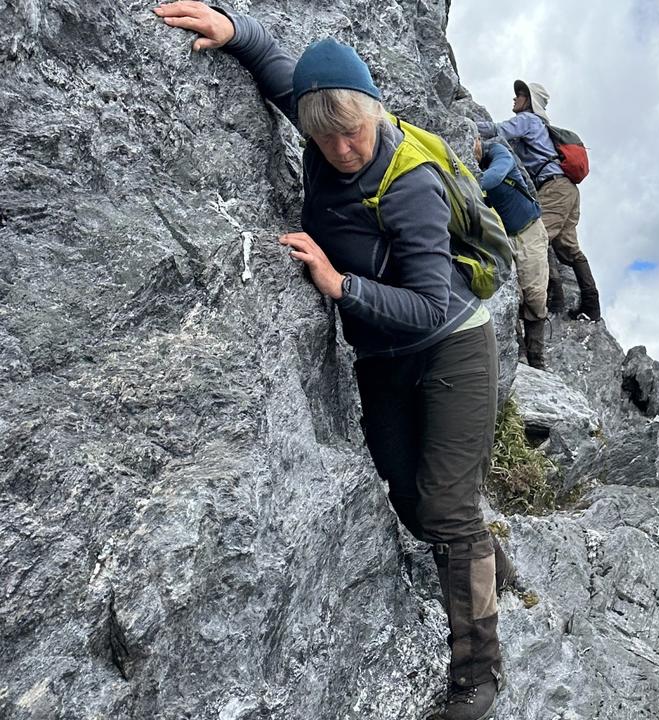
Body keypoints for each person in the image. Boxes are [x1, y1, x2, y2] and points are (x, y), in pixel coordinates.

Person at [153, 3, 502, 717]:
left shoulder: (411, 186)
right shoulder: (321, 124)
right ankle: (478, 559)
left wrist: (341, 287)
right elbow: (284, 71)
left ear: (372, 110)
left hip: (454, 345)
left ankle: (478, 674)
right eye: (326, 135)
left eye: (352, 132)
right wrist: (230, 28)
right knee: (409, 498)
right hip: (382, 355)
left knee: (444, 507)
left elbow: (432, 305)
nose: (342, 149)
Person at [477, 81, 601, 322]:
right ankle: (591, 305)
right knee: (569, 247)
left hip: (553, 187)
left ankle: (553, 298)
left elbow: (498, 129)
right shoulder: (538, 126)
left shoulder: (528, 120)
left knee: (537, 235)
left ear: (529, 100)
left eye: (519, 95)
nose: (514, 99)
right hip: (567, 189)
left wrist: (469, 126)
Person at [474, 137, 550, 369]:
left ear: (478, 139)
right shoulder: (478, 164)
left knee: (534, 294)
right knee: (511, 295)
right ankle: (519, 354)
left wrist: (466, 182)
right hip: (503, 238)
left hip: (530, 232)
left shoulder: (498, 152)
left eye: (473, 142)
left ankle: (536, 358)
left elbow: (495, 177)